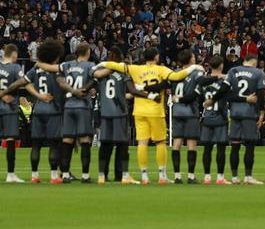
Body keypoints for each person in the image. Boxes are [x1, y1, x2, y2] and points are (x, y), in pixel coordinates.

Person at [99, 47, 200, 184]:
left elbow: (115, 65)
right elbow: (177, 76)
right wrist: (193, 68)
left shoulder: (136, 69)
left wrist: (102, 64)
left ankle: (144, 177)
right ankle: (162, 176)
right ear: (157, 57)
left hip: (139, 111)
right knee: (160, 143)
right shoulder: (161, 69)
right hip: (155, 111)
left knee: (142, 143)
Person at [92, 47, 147, 184]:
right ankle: (123, 175)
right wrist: (149, 94)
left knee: (105, 144)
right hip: (119, 113)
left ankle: (101, 176)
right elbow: (132, 90)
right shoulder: (123, 73)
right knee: (122, 145)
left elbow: (92, 80)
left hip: (105, 113)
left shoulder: (101, 73)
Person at [0, 44, 31, 183]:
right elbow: (23, 82)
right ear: (14, 54)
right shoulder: (16, 67)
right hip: (11, 109)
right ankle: (10, 174)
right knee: (10, 142)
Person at [26, 40, 69, 184]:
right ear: (55, 55)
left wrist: (38, 96)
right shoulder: (58, 70)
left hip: (38, 109)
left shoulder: (36, 69)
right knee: (54, 144)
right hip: (53, 110)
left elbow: (25, 83)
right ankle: (53, 176)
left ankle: (34, 176)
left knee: (36, 144)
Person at [224, 51, 265, 185]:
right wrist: (261, 112)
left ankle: (234, 177)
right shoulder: (258, 73)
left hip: (235, 113)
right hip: (249, 113)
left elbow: (226, 93)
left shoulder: (232, 70)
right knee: (249, 146)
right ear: (254, 61)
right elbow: (260, 95)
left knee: (235, 145)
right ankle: (248, 177)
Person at [58, 44, 98, 183]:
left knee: (67, 140)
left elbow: (59, 78)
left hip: (68, 106)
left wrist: (71, 91)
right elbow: (96, 77)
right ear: (87, 52)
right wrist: (86, 88)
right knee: (85, 140)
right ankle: (85, 176)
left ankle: (64, 175)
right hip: (83, 106)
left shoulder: (66, 65)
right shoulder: (90, 65)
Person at [167, 50, 204, 184]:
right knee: (191, 144)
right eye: (194, 57)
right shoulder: (196, 73)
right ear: (190, 60)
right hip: (190, 112)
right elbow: (194, 95)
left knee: (176, 143)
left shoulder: (175, 73)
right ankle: (190, 176)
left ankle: (177, 176)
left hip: (177, 112)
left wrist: (177, 100)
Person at [195, 55, 232, 184]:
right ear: (221, 65)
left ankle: (207, 177)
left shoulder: (204, 80)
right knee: (221, 148)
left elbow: (198, 93)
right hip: (220, 117)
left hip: (207, 118)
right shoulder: (225, 80)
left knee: (207, 148)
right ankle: (220, 178)